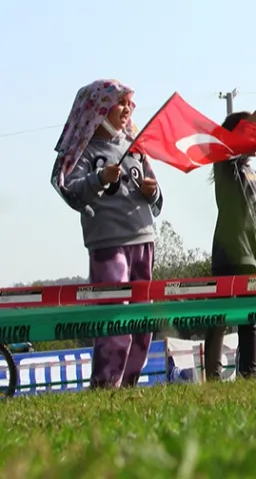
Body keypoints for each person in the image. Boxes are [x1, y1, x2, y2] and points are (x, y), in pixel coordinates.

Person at [51, 80, 163, 389]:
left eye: (129, 103)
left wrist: (152, 192)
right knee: (114, 314)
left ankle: (128, 384)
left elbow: (155, 191)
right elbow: (72, 190)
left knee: (142, 317)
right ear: (99, 110)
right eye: (120, 103)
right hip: (108, 242)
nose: (127, 109)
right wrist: (100, 178)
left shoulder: (135, 146)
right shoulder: (84, 151)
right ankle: (104, 384)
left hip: (143, 238)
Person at [205, 92, 256, 381]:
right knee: (220, 316)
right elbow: (233, 144)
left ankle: (248, 372)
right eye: (252, 132)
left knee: (255, 318)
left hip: (254, 256)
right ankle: (213, 376)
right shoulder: (226, 163)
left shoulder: (253, 173)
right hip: (230, 253)